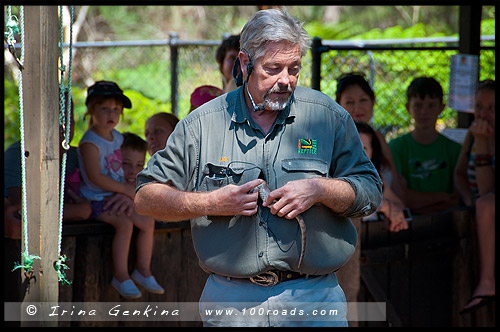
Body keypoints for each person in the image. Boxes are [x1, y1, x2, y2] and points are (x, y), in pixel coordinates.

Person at [135, 9, 382, 328]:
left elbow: (371, 191)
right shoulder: (201, 124)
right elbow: (146, 198)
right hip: (232, 300)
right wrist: (211, 203)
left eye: (294, 69)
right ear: (243, 63)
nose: (285, 80)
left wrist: (320, 190)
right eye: (273, 68)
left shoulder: (328, 118)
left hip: (314, 297)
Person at [78, 81, 164, 299]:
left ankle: (143, 270)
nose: (112, 113)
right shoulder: (90, 142)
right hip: (97, 198)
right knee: (124, 224)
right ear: (91, 110)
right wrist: (126, 190)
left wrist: (127, 190)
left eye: (117, 109)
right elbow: (95, 177)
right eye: (105, 108)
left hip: (118, 195)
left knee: (147, 221)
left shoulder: (118, 138)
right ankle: (121, 275)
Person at [389, 76, 462, 214]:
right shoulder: (396, 147)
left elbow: (456, 199)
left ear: (442, 107)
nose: (424, 112)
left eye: (431, 105)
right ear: (407, 107)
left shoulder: (454, 149)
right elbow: (400, 197)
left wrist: (419, 203)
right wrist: (440, 197)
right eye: (418, 105)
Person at [455, 80, 495, 314]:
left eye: (492, 108)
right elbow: (459, 174)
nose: (484, 114)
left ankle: (487, 282)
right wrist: (467, 198)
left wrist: (482, 143)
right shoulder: (473, 133)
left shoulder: (479, 136)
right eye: (480, 107)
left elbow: (487, 190)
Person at [336, 72, 407, 204]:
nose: (357, 108)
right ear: (338, 105)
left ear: (373, 101)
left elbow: (396, 183)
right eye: (349, 102)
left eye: (363, 100)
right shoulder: (336, 140)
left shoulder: (379, 138)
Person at [356, 122, 408, 232]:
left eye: (364, 149)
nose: (358, 154)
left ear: (372, 153)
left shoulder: (376, 178)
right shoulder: (332, 174)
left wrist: (396, 214)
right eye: (353, 148)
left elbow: (399, 205)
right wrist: (383, 206)